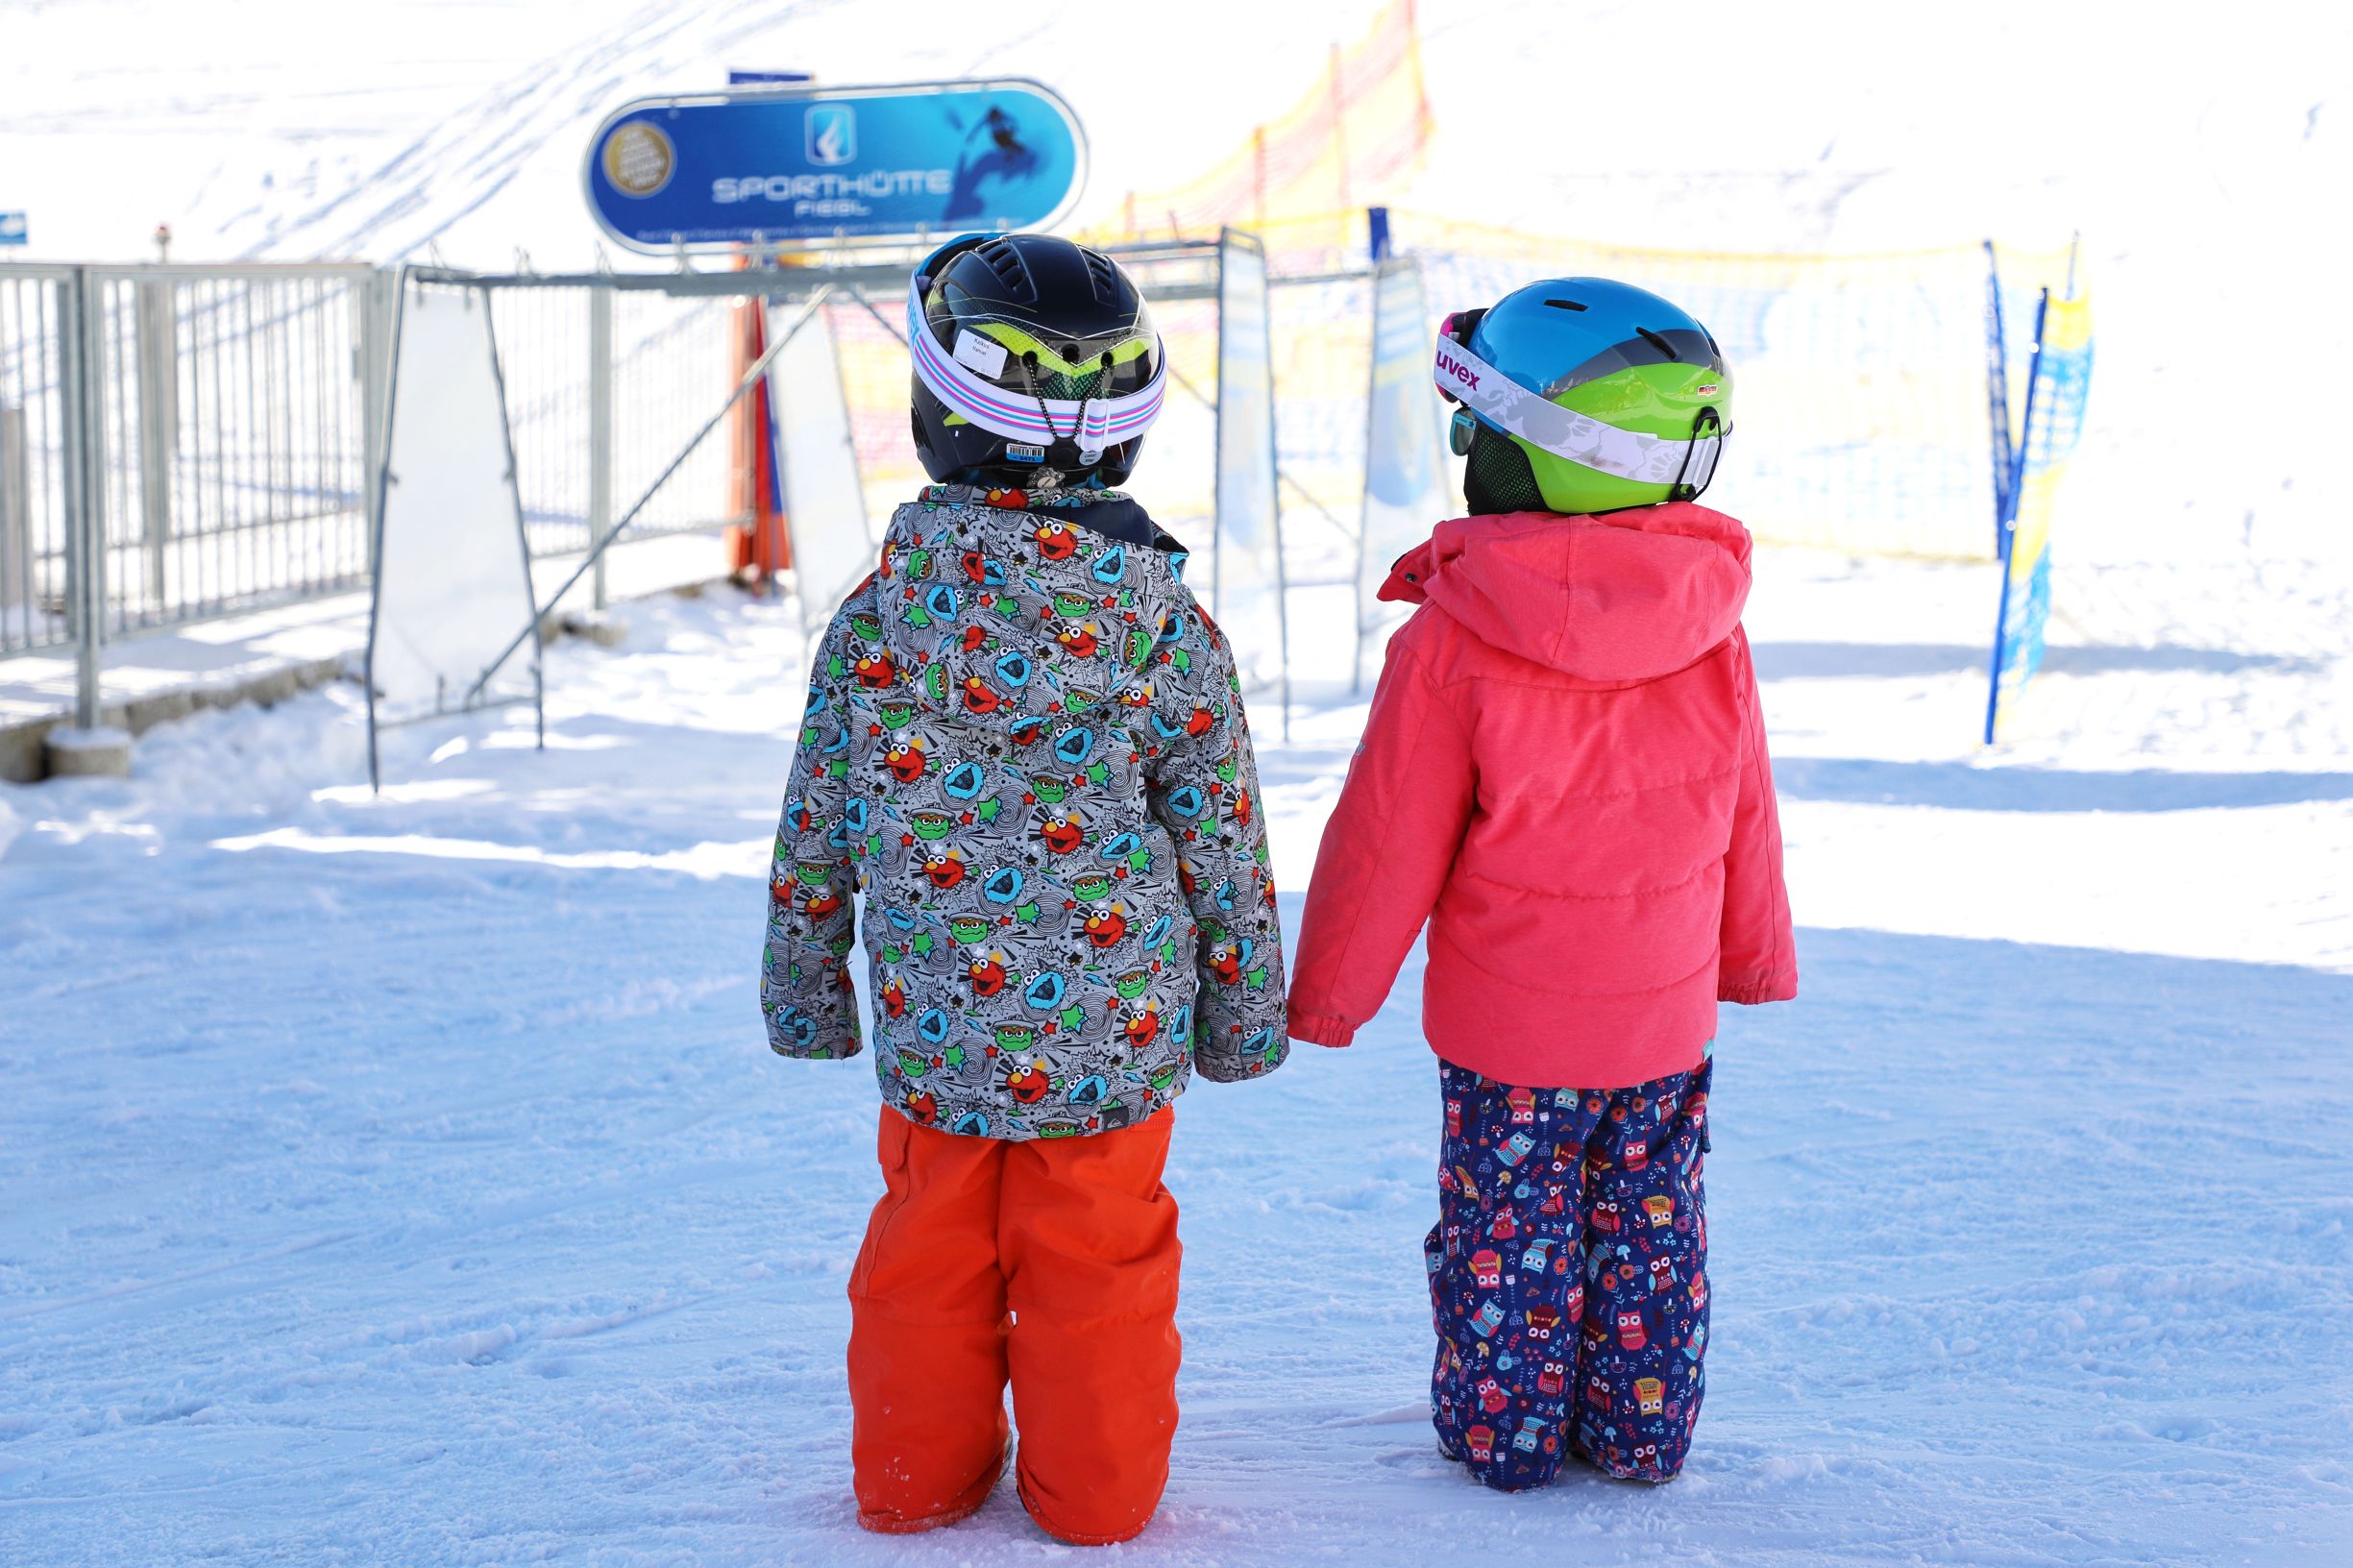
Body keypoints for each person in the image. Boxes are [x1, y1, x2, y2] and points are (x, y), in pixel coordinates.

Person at [760, 232, 1287, 1544]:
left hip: (941, 1028)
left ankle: (911, 1481)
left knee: (925, 1259)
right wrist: (1242, 1015)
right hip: (1109, 1036)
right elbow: (1220, 837)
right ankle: (1096, 1498)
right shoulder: (1162, 626)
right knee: (1096, 1266)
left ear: (940, 419)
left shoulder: (880, 617)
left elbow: (814, 828)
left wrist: (810, 995)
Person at [1287, 277, 1796, 1490]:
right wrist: (1750, 959)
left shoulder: (1453, 637)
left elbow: (1384, 843)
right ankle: (1640, 1430)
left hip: (1509, 1029)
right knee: (1649, 1235)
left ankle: (1502, 1440)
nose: (1466, 454)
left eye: (1480, 431)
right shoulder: (1708, 621)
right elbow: (1746, 812)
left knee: (1508, 1236)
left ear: (1545, 458)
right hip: (1662, 1021)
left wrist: (1326, 997)